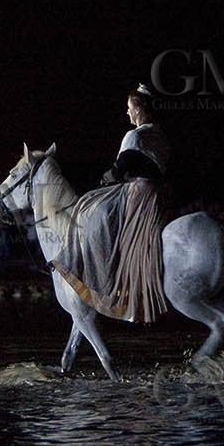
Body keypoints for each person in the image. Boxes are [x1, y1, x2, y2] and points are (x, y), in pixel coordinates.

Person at [49, 84, 169, 323]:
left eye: (128, 108)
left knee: (86, 206)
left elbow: (118, 170)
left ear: (138, 109)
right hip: (158, 193)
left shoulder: (134, 136)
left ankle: (86, 267)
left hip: (137, 191)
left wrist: (104, 179)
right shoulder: (159, 135)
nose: (127, 113)